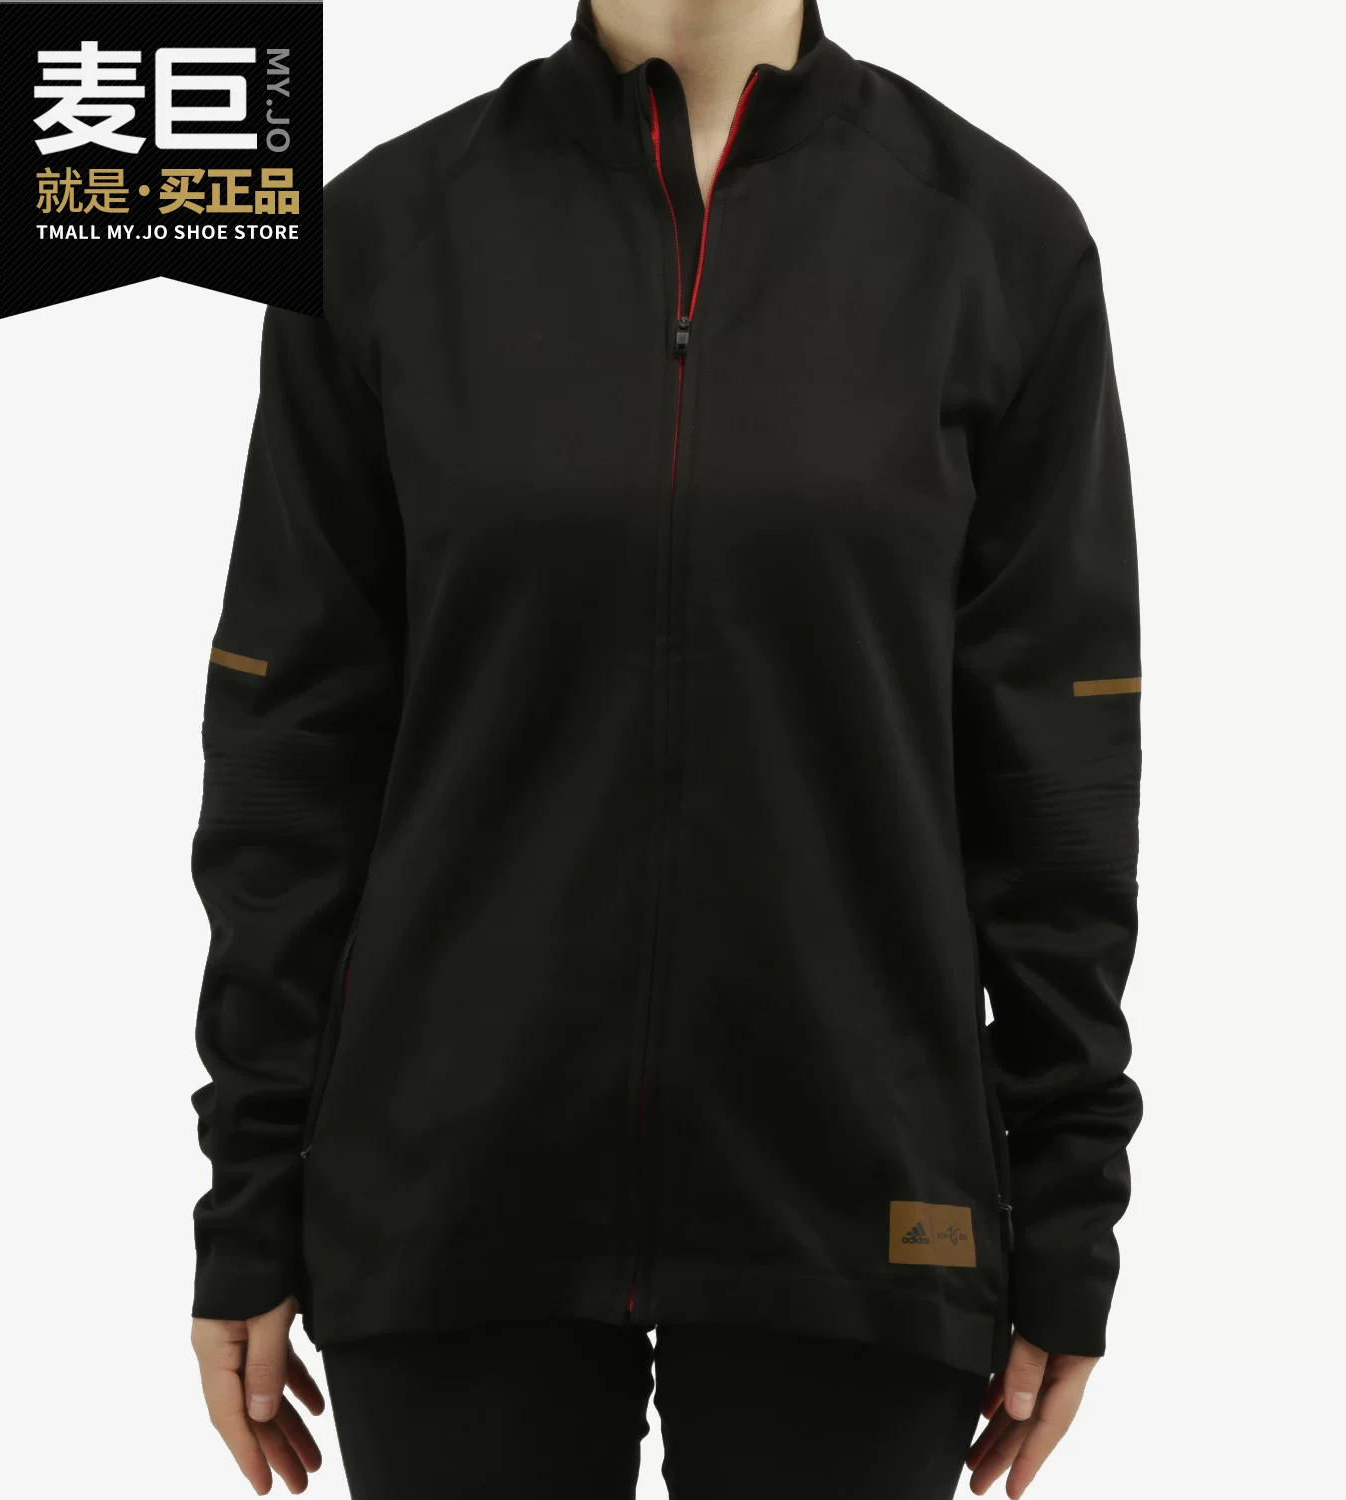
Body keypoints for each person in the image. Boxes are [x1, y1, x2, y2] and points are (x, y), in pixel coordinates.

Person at [187, 1, 1143, 1496]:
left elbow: (1057, 780)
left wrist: (1069, 1207)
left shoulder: (996, 243)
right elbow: (289, 757)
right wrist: (249, 1194)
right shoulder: (387, 236)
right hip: (451, 1195)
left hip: (861, 1195)